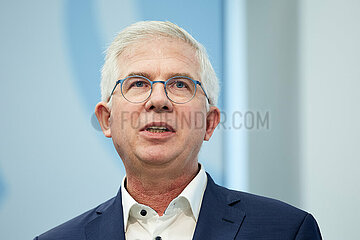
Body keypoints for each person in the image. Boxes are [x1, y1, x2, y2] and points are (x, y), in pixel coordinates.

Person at [34, 21, 322, 240]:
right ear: (107, 119)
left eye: (180, 84)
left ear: (209, 123)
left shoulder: (288, 230)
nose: (158, 100)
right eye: (137, 83)